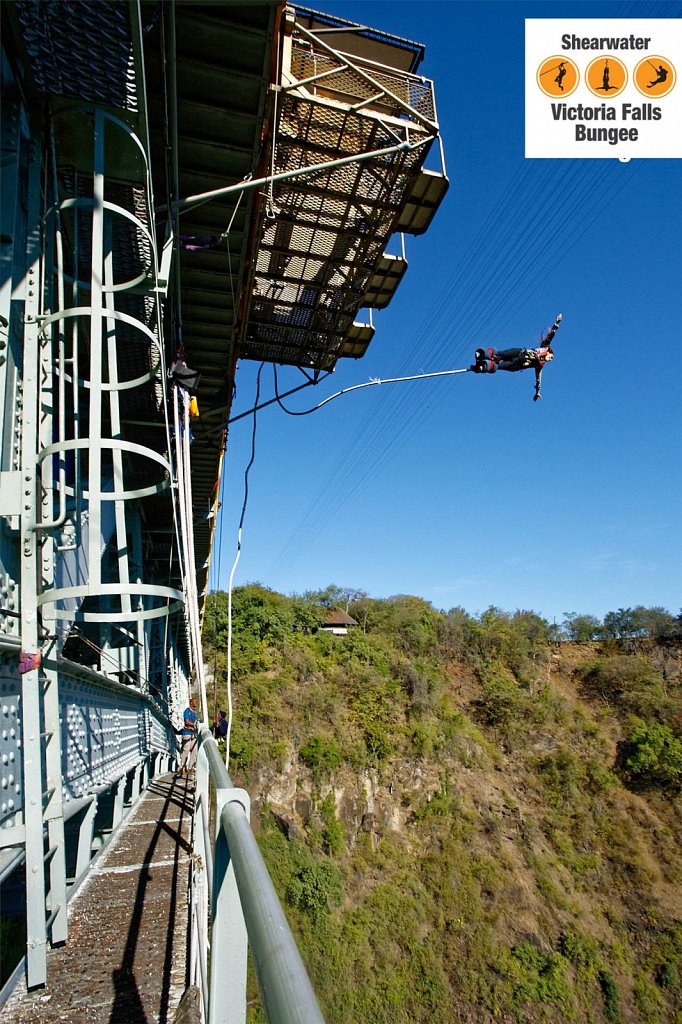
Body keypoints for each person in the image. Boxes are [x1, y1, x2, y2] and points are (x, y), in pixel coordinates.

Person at [470, 313, 562, 401]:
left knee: (498, 366)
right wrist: (557, 323)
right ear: (549, 352)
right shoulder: (544, 348)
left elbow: (538, 380)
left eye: (551, 359)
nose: (550, 359)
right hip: (519, 353)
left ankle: (482, 367)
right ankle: (483, 354)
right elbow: (551, 335)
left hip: (517, 365)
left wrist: (538, 391)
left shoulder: (540, 365)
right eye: (551, 357)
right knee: (499, 354)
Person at [179, 697, 199, 773]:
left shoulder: (195, 712)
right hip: (187, 733)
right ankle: (182, 767)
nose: (196, 703)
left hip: (194, 734)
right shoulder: (187, 711)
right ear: (191, 703)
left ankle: (190, 767)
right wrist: (194, 725)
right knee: (186, 750)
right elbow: (186, 721)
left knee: (194, 751)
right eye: (194, 702)